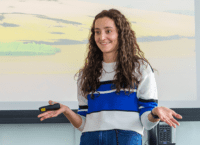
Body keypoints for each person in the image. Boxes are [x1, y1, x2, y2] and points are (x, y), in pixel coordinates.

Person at [38, 9, 182, 145]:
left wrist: (155, 112)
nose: (102, 37)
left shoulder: (140, 68)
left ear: (121, 33)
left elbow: (146, 122)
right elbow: (84, 124)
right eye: (97, 32)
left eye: (108, 31)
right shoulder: (85, 75)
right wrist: (67, 111)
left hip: (125, 138)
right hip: (90, 138)